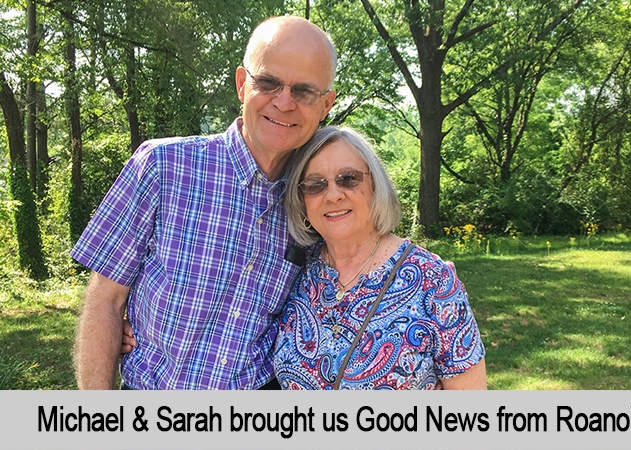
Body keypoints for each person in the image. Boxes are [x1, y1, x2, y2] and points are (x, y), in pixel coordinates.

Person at [71, 16, 337, 390]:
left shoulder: (321, 199)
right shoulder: (163, 166)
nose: (284, 102)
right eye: (268, 82)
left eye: (305, 91)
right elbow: (106, 302)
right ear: (243, 84)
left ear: (326, 104)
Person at [273, 126, 487, 389]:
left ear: (375, 185)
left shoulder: (434, 280)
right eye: (315, 185)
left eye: (348, 178)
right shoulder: (298, 270)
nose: (333, 194)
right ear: (302, 201)